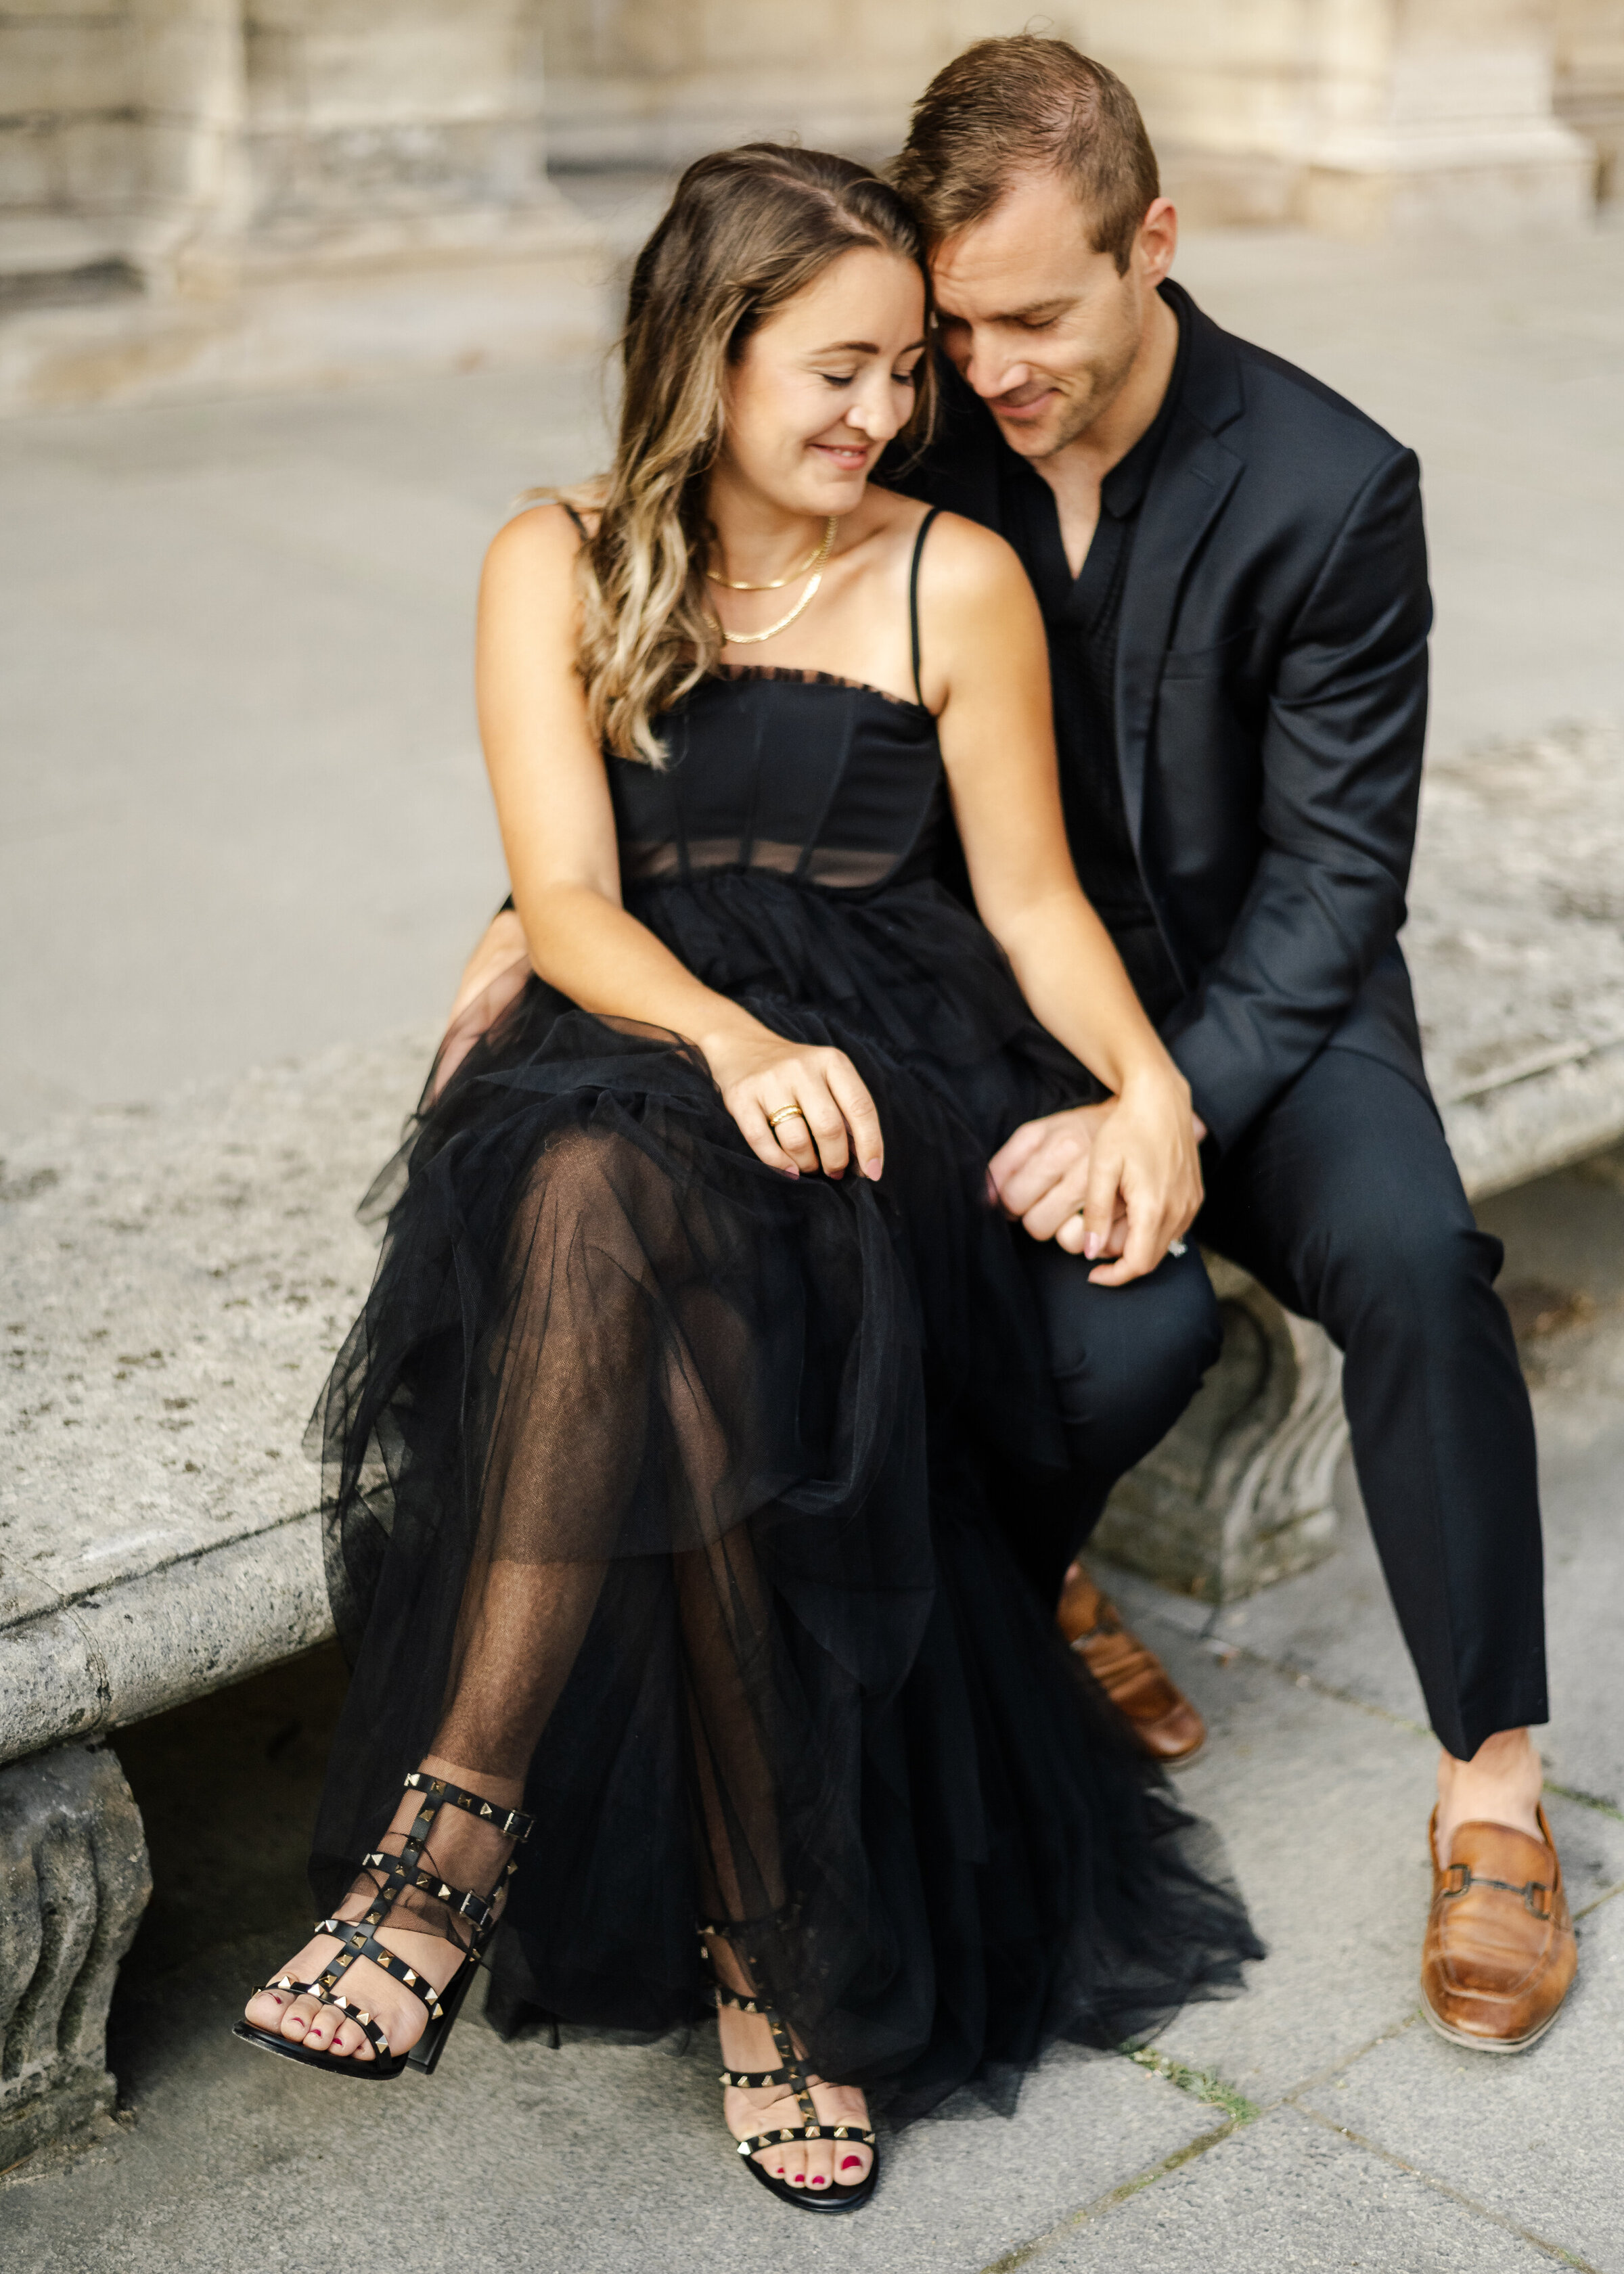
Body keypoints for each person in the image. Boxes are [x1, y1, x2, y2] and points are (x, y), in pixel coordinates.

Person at [458, 37, 1576, 2055]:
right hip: (970, 988)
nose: (979, 371)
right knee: (1074, 1325)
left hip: (1269, 1002)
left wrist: (1172, 1103)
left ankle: (1493, 1776)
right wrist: (538, 909)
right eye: (950, 326)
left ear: (1157, 243)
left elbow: (1337, 884)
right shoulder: (925, 418)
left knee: (1417, 1264)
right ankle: (1027, 1599)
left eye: (1034, 317)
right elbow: (730, 663)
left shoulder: (1334, 486)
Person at [233, 145, 1261, 2210]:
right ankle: (771, 1930)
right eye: (838, 369)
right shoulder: (560, 554)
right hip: (654, 1028)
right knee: (615, 1202)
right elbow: (571, 901)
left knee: (674, 1223)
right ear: (709, 354)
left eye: (904, 375)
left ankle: (452, 1834)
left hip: (885, 1059)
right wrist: (723, 1032)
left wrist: (1155, 1093)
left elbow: (1039, 906)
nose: (882, 414)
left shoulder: (943, 572)